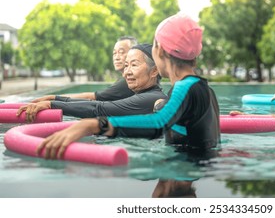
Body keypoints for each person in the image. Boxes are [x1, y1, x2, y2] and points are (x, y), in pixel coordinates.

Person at [36, 13, 221, 160]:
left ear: (161, 50)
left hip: (183, 176)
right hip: (191, 172)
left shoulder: (185, 88)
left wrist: (93, 125)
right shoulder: (204, 89)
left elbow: (157, 124)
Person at [17, 44, 167, 135]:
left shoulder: (151, 98)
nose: (127, 72)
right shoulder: (145, 94)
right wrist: (55, 98)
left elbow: (99, 108)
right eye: (126, 65)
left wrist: (52, 104)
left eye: (133, 65)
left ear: (154, 71)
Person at [31, 36, 138, 102]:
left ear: (134, 53)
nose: (116, 57)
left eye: (121, 52)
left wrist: (52, 98)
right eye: (114, 53)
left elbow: (90, 98)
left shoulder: (128, 82)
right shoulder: (125, 80)